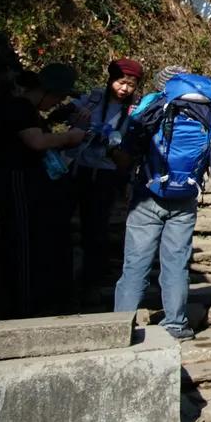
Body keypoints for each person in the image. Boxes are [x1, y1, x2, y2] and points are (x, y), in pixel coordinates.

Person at [114, 68, 211, 340]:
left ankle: (118, 326)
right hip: (186, 195)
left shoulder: (154, 106)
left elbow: (128, 152)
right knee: (176, 261)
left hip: (148, 193)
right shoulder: (209, 111)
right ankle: (176, 323)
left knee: (136, 262)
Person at [0, 64, 88, 317]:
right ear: (46, 91)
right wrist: (71, 136)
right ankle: (23, 305)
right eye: (57, 96)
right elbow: (36, 142)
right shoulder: (19, 108)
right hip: (17, 180)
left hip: (32, 182)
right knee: (22, 240)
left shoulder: (27, 110)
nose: (57, 102)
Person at [66, 58, 143, 288]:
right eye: (120, 82)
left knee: (97, 225)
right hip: (79, 167)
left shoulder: (134, 111)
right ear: (111, 80)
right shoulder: (93, 99)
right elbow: (70, 115)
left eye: (130, 85)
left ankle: (93, 278)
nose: (124, 89)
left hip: (106, 172)